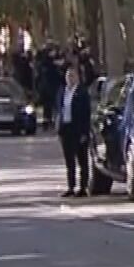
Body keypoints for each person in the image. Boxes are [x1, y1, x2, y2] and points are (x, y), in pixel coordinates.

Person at [56, 64, 92, 198]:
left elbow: (86, 114)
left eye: (72, 76)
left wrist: (84, 133)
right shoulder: (62, 91)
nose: (70, 79)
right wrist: (59, 129)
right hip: (66, 128)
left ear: (77, 77)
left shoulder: (82, 92)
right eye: (68, 76)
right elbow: (59, 110)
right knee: (69, 160)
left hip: (78, 129)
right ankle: (71, 186)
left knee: (82, 160)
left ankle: (83, 187)